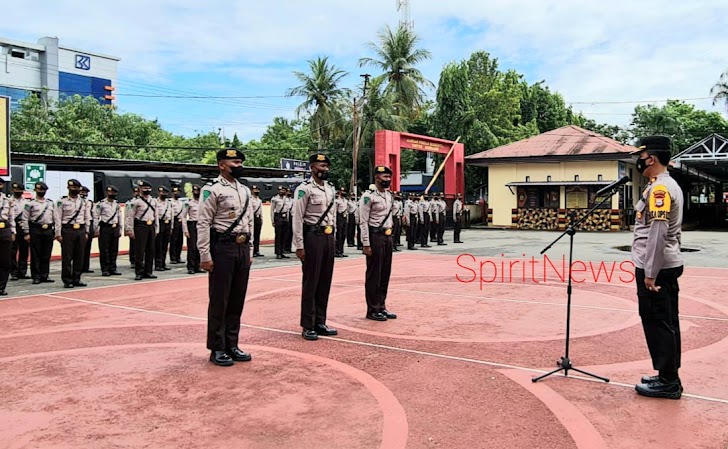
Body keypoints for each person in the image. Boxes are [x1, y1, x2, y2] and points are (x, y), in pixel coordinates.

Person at [631, 135, 685, 400]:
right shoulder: (661, 185)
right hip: (665, 263)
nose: (638, 162)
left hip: (657, 267)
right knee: (666, 321)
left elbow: (658, 233)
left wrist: (650, 273)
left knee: (658, 322)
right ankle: (667, 375)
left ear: (650, 158)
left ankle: (669, 382)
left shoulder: (660, 190)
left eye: (640, 157)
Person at [198, 148, 254, 366]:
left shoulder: (245, 190)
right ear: (222, 165)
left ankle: (232, 343)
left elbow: (248, 222)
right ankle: (217, 347)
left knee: (237, 298)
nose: (238, 166)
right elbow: (203, 223)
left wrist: (249, 249)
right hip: (222, 247)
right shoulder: (211, 190)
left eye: (240, 162)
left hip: (241, 248)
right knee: (220, 299)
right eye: (234, 163)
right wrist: (204, 254)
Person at [292, 153, 338, 340]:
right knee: (311, 282)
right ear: (312, 168)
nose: (324, 169)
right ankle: (308, 324)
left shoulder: (330, 189)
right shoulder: (304, 189)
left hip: (328, 237)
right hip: (312, 236)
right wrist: (299, 245)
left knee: (325, 280)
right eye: (321, 166)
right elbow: (297, 217)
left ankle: (320, 321)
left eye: (326, 166)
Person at [359, 166, 398, 321]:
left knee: (385, 273)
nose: (387, 180)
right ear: (376, 178)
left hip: (387, 237)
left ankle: (382, 305)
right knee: (374, 274)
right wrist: (366, 244)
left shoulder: (389, 196)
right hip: (374, 236)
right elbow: (363, 221)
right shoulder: (368, 197)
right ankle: (372, 309)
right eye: (384, 177)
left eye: (389, 177)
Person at [55, 179, 90, 289]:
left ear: (79, 189)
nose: (73, 189)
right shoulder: (62, 201)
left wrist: (87, 231)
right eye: (71, 187)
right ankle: (67, 280)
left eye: (76, 188)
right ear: (68, 188)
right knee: (67, 256)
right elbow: (57, 218)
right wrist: (58, 233)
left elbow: (87, 217)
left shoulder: (84, 202)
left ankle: (76, 278)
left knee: (79, 256)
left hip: (80, 229)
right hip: (67, 229)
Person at [21, 182, 56, 284]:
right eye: (39, 190)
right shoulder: (30, 203)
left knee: (46, 254)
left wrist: (54, 230)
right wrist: (26, 232)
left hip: (48, 230)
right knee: (36, 254)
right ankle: (36, 276)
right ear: (35, 190)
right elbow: (25, 218)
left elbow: (54, 217)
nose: (41, 192)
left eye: (43, 190)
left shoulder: (50, 203)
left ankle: (45, 275)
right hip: (36, 229)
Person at [125, 180, 159, 281]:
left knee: (150, 250)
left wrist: (157, 228)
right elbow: (130, 217)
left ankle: (148, 271)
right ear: (140, 189)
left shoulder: (154, 201)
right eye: (144, 188)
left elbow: (156, 215)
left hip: (151, 225)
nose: (146, 190)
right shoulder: (135, 202)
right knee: (140, 250)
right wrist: (129, 229)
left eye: (148, 188)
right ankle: (139, 272)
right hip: (140, 226)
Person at [94, 185, 122, 276]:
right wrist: (96, 229)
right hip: (105, 228)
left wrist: (120, 229)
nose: (112, 194)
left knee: (114, 249)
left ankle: (113, 268)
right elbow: (96, 217)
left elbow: (119, 217)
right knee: (104, 250)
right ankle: (105, 269)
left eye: (113, 193)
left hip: (115, 228)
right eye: (110, 192)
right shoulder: (100, 204)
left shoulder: (116, 204)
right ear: (107, 193)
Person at [9, 182, 29, 281]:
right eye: (16, 190)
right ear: (12, 190)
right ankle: (14, 272)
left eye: (20, 190)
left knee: (24, 250)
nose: (18, 192)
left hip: (23, 226)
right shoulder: (9, 200)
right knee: (12, 251)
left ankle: (22, 271)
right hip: (13, 226)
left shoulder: (26, 202)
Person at [0, 178, 16, 295]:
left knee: (5, 260)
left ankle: (1, 287)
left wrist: (13, 231)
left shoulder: (7, 200)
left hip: (4, 229)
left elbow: (11, 217)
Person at [184, 184, 202, 274]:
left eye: (198, 191)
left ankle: (198, 266)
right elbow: (183, 217)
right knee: (192, 247)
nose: (196, 193)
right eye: (195, 191)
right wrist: (185, 230)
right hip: (192, 224)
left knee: (200, 246)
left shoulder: (203, 202)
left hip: (201, 224)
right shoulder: (189, 203)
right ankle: (191, 267)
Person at [155, 186, 173, 271]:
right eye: (162, 193)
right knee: (158, 245)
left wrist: (171, 226)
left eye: (165, 193)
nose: (163, 194)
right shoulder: (155, 202)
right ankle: (158, 264)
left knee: (165, 245)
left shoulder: (169, 203)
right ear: (159, 193)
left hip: (167, 223)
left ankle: (163, 263)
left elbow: (171, 215)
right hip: (160, 223)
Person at [271, 186, 289, 259]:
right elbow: (272, 210)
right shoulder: (275, 199)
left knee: (284, 235)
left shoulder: (287, 199)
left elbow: (288, 209)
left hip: (285, 217)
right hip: (278, 216)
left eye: (283, 190)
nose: (282, 191)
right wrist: (272, 220)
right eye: (280, 190)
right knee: (278, 235)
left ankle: (282, 251)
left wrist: (287, 218)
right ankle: (278, 253)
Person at [169, 186, 185, 264]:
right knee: (173, 240)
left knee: (180, 240)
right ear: (172, 193)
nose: (177, 193)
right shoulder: (170, 202)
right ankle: (173, 257)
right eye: (175, 192)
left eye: (178, 192)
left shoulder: (181, 202)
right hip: (174, 221)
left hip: (180, 221)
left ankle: (178, 257)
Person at [80, 186, 95, 273]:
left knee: (87, 248)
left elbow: (93, 215)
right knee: (78, 249)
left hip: (89, 225)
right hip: (80, 225)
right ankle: (78, 266)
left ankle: (86, 266)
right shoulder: (77, 202)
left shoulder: (90, 203)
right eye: (81, 192)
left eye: (85, 193)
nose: (83, 194)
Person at [251, 185, 264, 257]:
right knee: (252, 235)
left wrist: (262, 219)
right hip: (252, 217)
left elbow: (261, 211)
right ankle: (252, 251)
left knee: (257, 235)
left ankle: (257, 250)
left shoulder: (259, 200)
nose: (256, 191)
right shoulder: (250, 199)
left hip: (258, 218)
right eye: (254, 190)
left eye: (257, 190)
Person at [335, 187, 348, 258]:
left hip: (344, 217)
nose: (343, 193)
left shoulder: (345, 200)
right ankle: (337, 251)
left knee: (343, 234)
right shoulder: (337, 201)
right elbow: (335, 211)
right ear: (339, 192)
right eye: (342, 191)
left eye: (344, 191)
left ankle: (341, 251)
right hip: (339, 217)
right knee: (339, 235)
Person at [128, 186, 140, 267]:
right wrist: (128, 228)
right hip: (134, 224)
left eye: (138, 192)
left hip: (141, 225)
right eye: (135, 192)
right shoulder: (130, 203)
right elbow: (128, 216)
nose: (137, 193)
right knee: (133, 244)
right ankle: (133, 260)